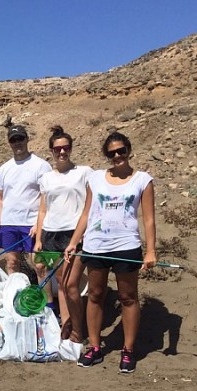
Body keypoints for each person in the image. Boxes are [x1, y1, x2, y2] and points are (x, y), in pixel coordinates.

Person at [64, 132, 157, 373]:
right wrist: (74, 242)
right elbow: (87, 213)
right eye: (112, 152)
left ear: (129, 150)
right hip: (96, 245)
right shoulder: (95, 178)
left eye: (121, 150)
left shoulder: (142, 180)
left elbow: (148, 219)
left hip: (126, 246)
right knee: (95, 294)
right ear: (107, 155)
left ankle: (128, 350)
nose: (117, 156)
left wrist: (150, 251)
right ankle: (94, 347)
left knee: (128, 297)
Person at [34, 126, 93, 342]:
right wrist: (39, 238)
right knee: (61, 283)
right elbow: (43, 210)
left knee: (70, 284)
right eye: (57, 148)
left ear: (71, 148)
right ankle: (66, 326)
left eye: (65, 147)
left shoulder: (84, 172)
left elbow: (90, 205)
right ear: (51, 150)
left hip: (73, 233)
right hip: (50, 233)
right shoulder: (46, 178)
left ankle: (78, 329)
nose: (61, 152)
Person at [0, 125, 52, 274]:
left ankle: (46, 296)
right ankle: (15, 294)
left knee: (39, 264)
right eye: (13, 140)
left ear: (27, 139)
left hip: (31, 223)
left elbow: (47, 198)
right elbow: (0, 197)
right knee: (11, 263)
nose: (17, 143)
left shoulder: (41, 166)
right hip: (9, 223)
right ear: (9, 143)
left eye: (20, 138)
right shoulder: (4, 168)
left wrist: (38, 224)